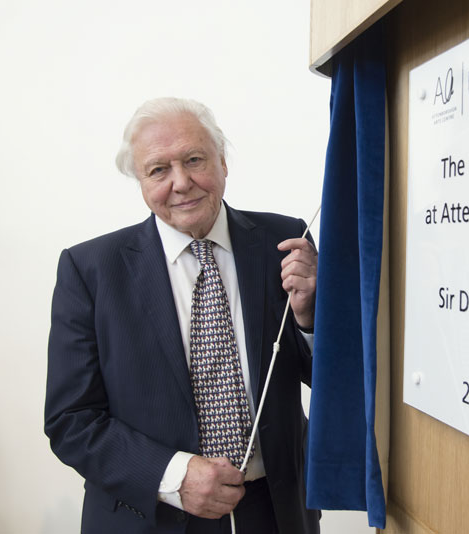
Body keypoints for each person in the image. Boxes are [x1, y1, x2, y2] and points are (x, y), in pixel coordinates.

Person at [44, 97, 320, 534]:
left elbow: (330, 379)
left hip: (276, 513)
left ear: (222, 161)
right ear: (140, 182)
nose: (181, 182)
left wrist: (310, 318)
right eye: (158, 169)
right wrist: (174, 477)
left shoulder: (285, 241)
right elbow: (70, 422)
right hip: (151, 516)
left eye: (194, 160)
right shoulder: (90, 270)